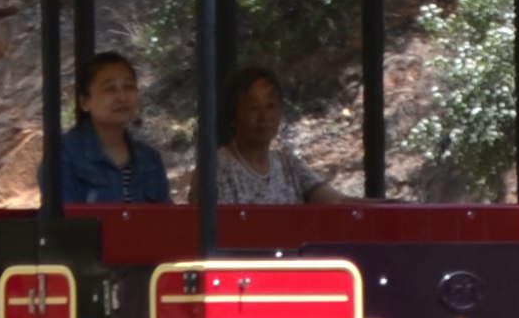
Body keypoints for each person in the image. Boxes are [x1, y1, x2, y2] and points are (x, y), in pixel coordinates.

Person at [202, 66, 344, 206]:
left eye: (270, 106)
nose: (264, 116)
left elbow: (339, 202)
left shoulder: (290, 165)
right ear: (233, 115)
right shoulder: (216, 168)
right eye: (253, 107)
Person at [55, 51, 174, 204]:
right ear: (85, 102)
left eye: (129, 87)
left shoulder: (149, 159)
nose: (122, 96)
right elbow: (61, 223)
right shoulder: (64, 154)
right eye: (110, 89)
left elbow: (164, 220)